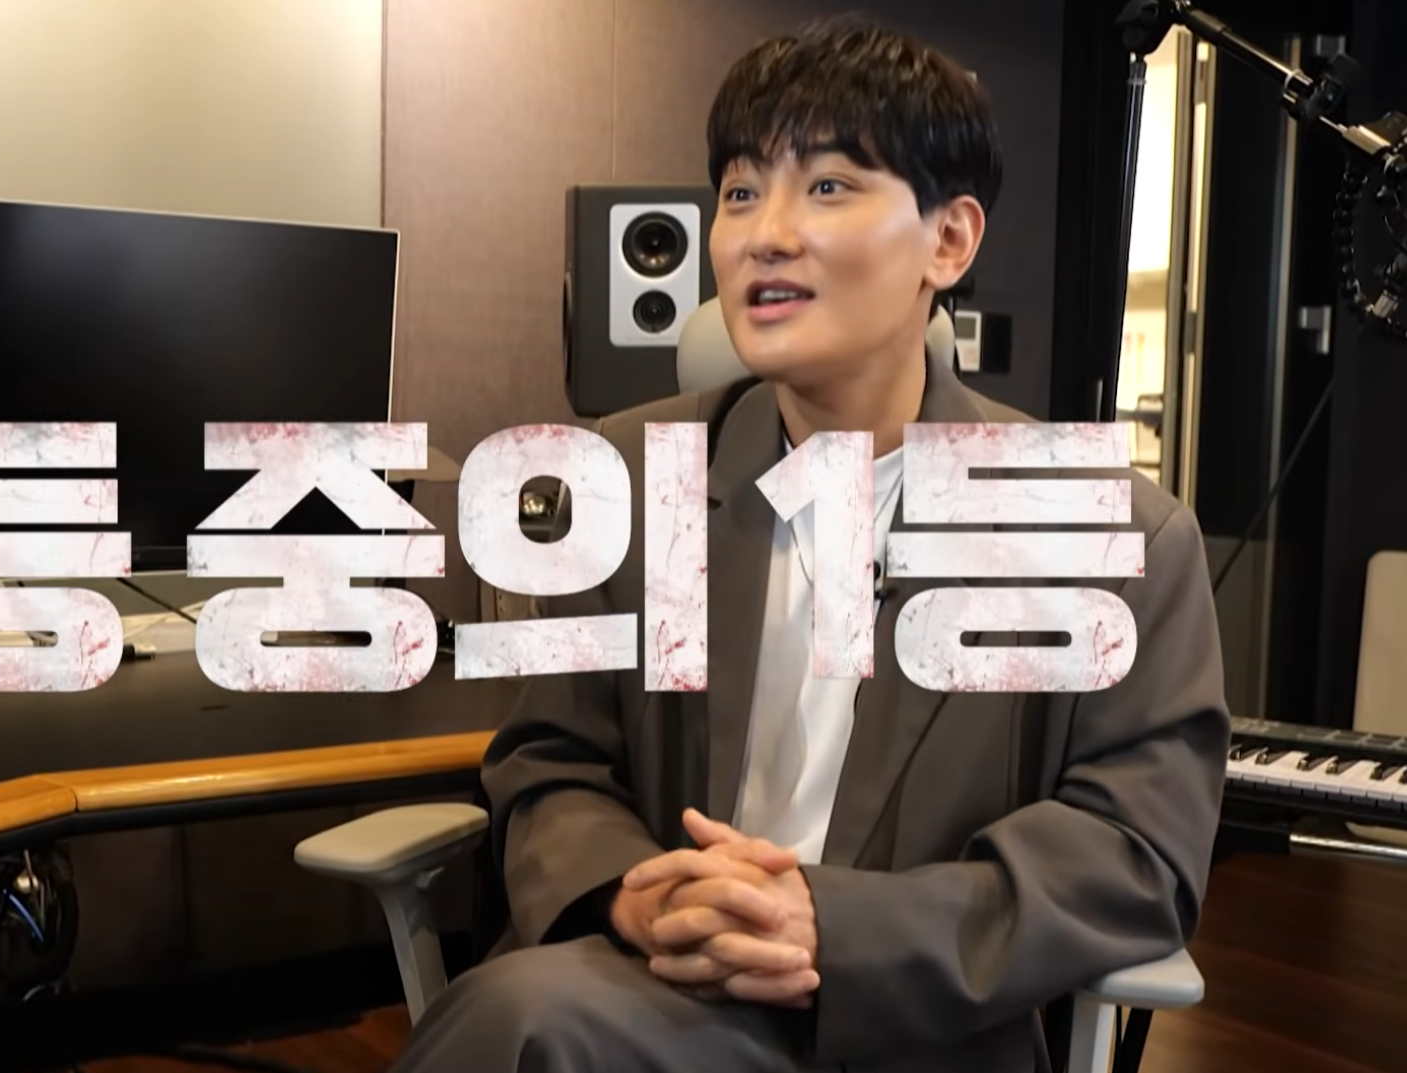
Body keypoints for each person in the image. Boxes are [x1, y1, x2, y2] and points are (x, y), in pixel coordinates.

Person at [388, 14, 1230, 1073]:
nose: (765, 234)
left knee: (520, 1023)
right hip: (651, 984)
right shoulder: (635, 478)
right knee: (529, 1016)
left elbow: (1131, 853)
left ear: (949, 240)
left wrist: (829, 925)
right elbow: (550, 759)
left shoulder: (1113, 533)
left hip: (909, 1018)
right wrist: (635, 893)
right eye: (741, 191)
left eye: (827, 186)